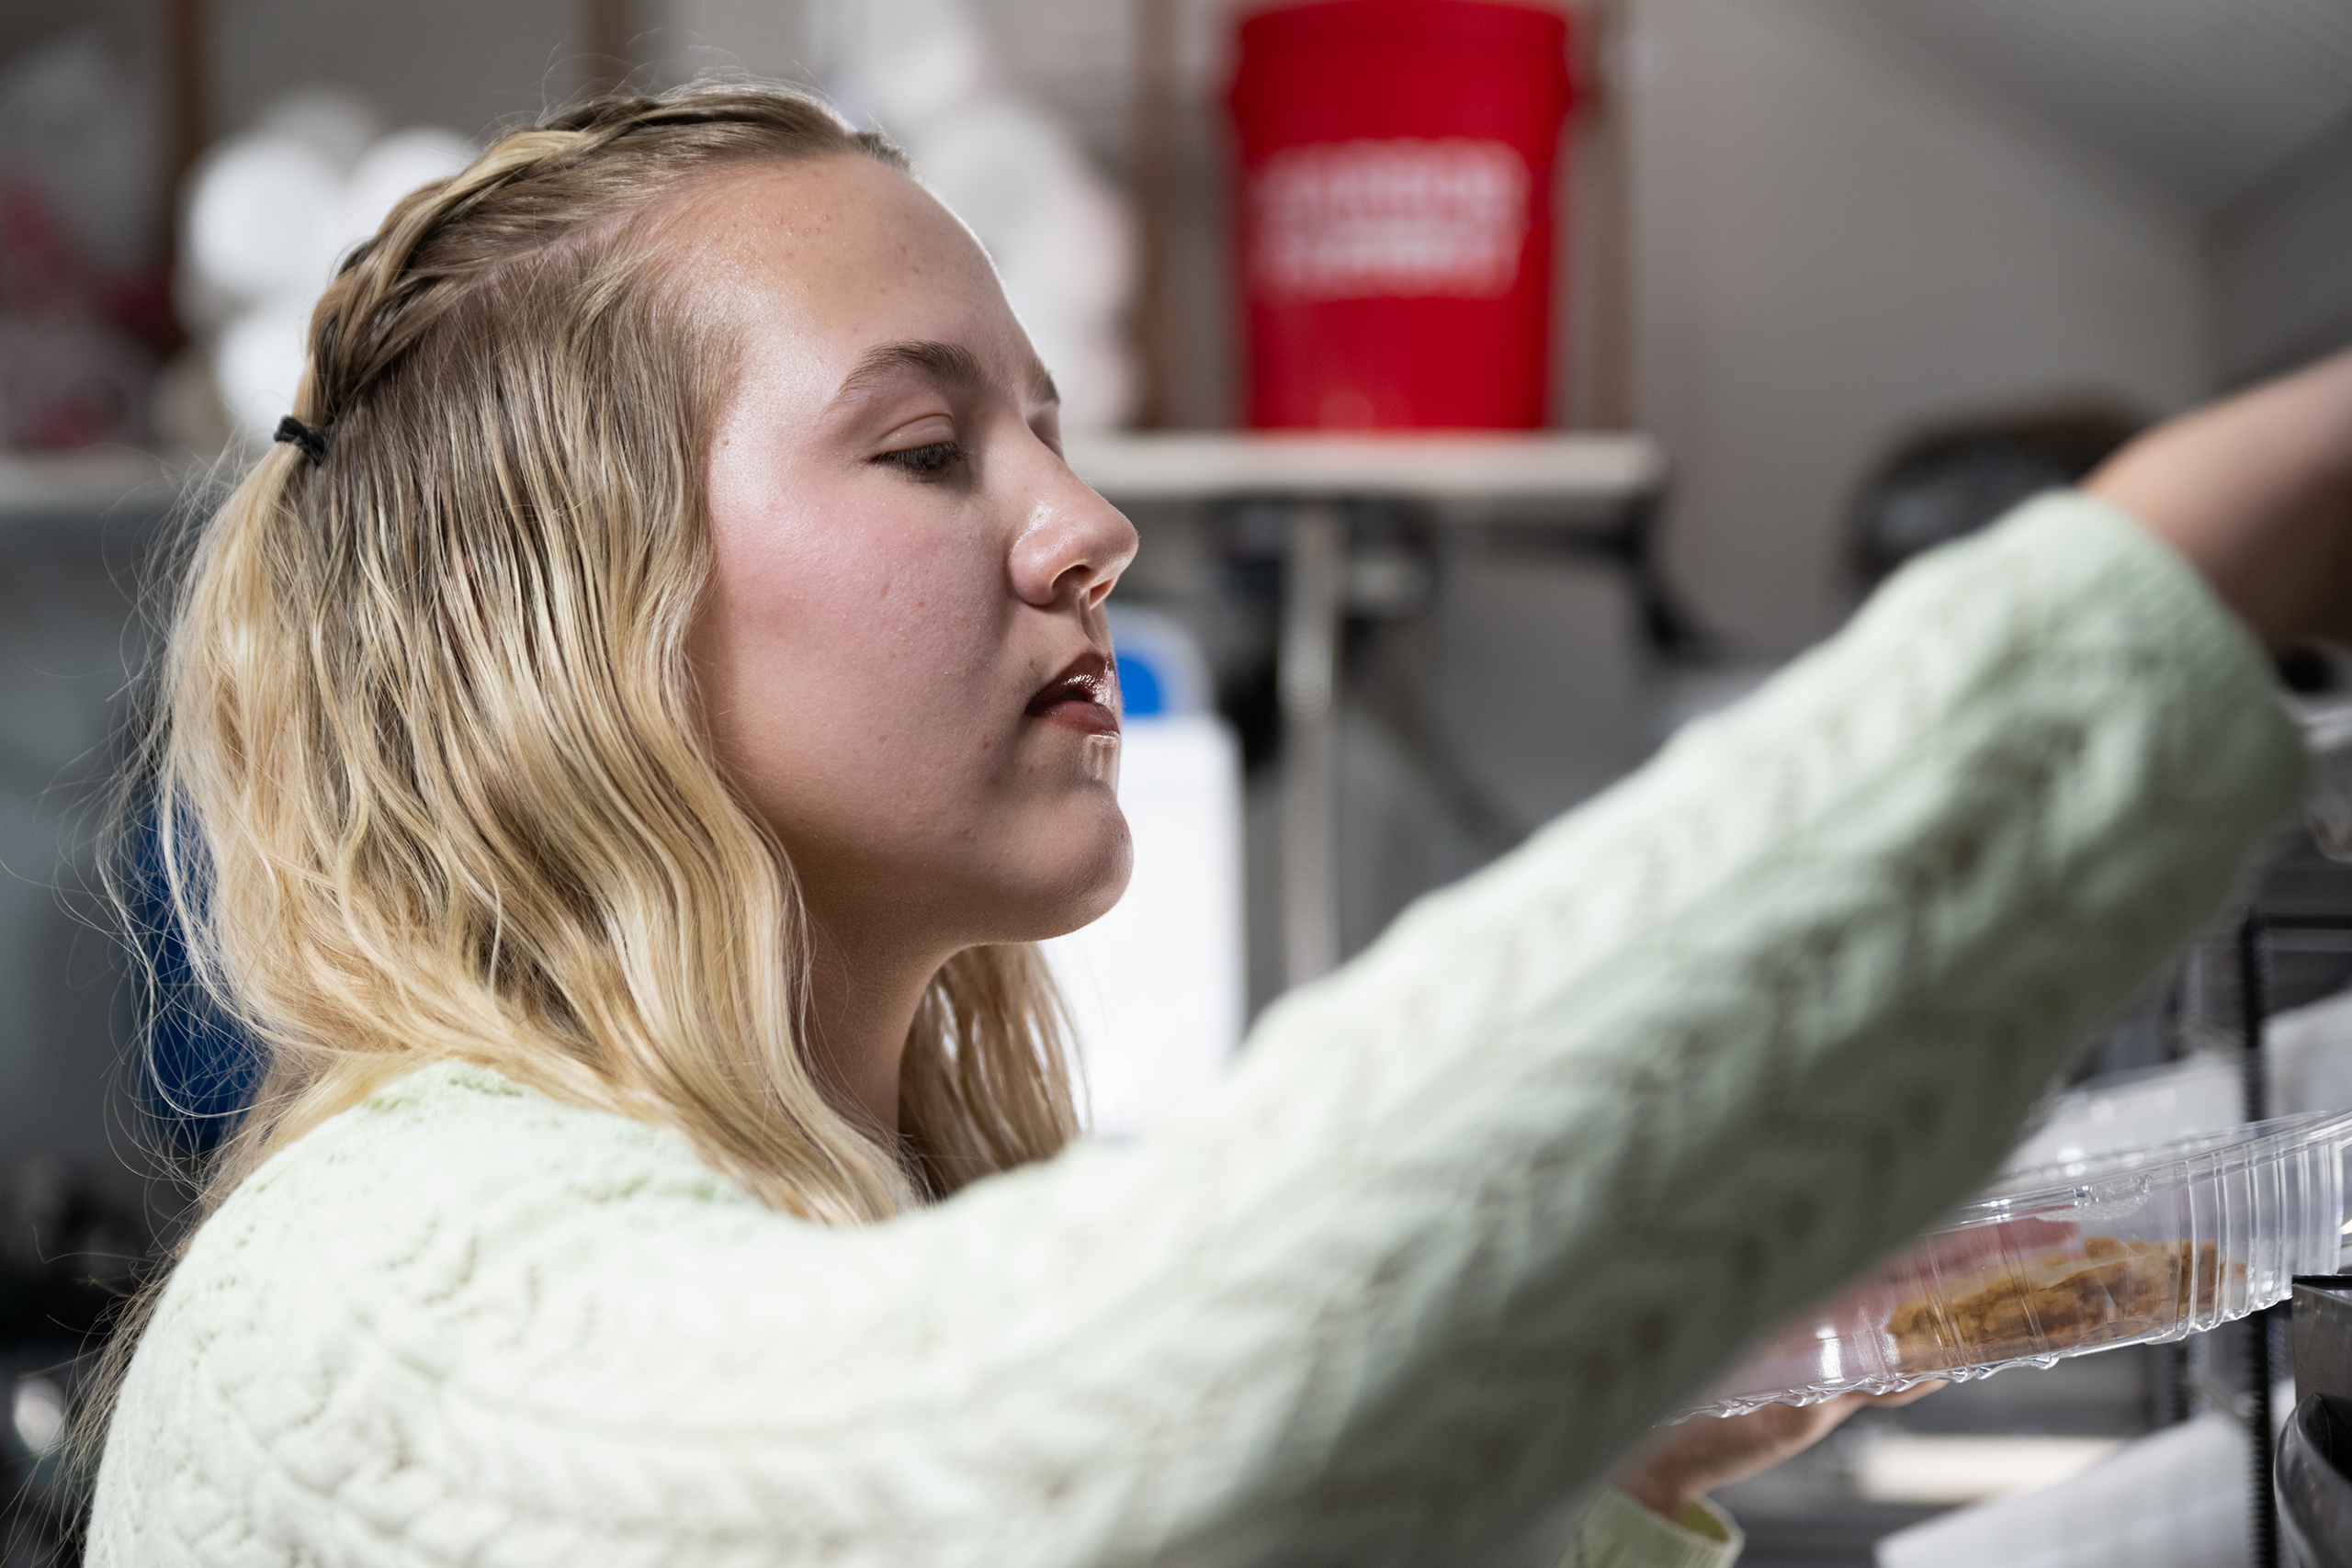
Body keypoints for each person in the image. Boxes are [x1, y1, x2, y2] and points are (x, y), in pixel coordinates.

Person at [79, 83, 2352, 1566]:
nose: (1085, 526)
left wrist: (1592, 1460)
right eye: (919, 444)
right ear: (571, 612)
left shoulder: (822, 1234)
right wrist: (2170, 560)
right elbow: (1066, 1454)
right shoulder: (367, 1293)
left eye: (1045, 431)